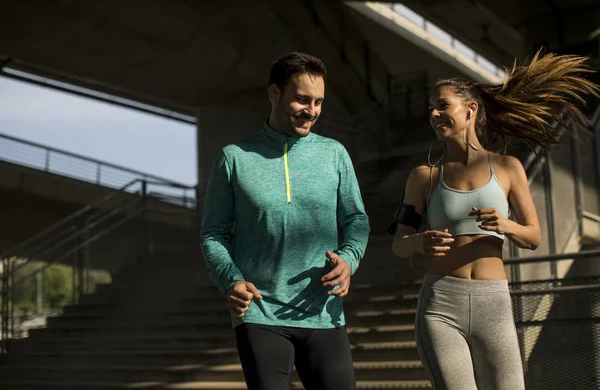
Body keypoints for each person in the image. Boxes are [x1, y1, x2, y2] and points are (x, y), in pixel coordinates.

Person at [389, 50, 599, 390]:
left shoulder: (508, 167)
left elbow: (533, 236)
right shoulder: (423, 176)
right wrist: (419, 242)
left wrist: (506, 224)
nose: (434, 113)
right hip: (441, 305)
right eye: (431, 107)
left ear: (470, 110)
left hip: (494, 303)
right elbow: (399, 243)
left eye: (443, 105)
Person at [200, 51, 370, 390]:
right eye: (302, 100)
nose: (312, 111)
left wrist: (349, 260)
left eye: (319, 102)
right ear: (274, 94)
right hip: (260, 312)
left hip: (324, 312)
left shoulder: (334, 154)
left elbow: (356, 220)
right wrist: (230, 280)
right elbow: (213, 234)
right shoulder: (234, 158)